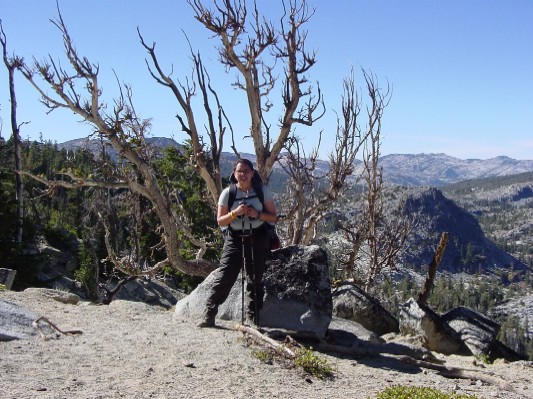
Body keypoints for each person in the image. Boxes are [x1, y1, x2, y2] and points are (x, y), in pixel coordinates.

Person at [198, 158, 277, 328]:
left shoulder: (262, 191)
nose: (243, 174)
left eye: (246, 171)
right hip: (235, 237)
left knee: (255, 278)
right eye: (239, 171)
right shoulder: (228, 193)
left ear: (252, 173)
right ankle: (209, 313)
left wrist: (256, 214)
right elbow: (221, 221)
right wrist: (235, 213)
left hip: (258, 236)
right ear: (234, 173)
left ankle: (253, 317)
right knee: (226, 274)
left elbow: (273, 217)